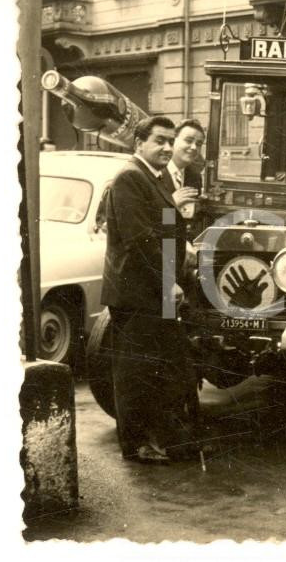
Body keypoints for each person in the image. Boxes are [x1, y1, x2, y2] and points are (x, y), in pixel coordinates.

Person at [101, 116, 199, 464]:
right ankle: (137, 445)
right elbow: (140, 240)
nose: (168, 147)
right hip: (138, 293)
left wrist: (185, 250)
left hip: (156, 290)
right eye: (159, 140)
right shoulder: (131, 177)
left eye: (170, 141)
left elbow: (169, 229)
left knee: (166, 367)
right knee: (134, 372)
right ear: (138, 142)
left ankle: (174, 441)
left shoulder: (153, 179)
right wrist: (168, 281)